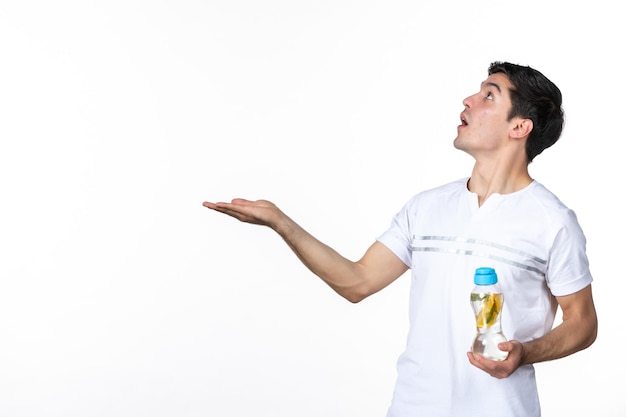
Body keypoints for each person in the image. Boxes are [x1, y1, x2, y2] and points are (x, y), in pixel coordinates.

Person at [203, 61, 598, 417]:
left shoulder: (552, 221)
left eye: (488, 95)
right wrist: (280, 222)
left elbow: (582, 323)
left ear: (519, 127)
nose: (468, 99)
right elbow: (357, 282)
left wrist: (525, 352)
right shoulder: (426, 208)